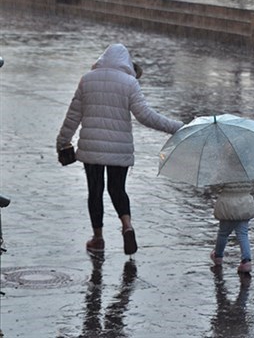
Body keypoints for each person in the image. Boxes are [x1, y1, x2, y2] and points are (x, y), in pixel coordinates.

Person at [56, 43, 184, 255]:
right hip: (119, 148)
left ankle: (98, 239)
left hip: (92, 147)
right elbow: (145, 116)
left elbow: (73, 116)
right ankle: (127, 226)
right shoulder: (129, 83)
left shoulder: (87, 80)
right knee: (117, 189)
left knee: (95, 192)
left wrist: (62, 141)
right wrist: (177, 127)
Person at [210, 181, 254, 273]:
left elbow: (217, 186)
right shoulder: (249, 169)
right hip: (244, 204)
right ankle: (246, 262)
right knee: (243, 234)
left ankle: (218, 256)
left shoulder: (224, 170)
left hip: (227, 204)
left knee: (223, 233)